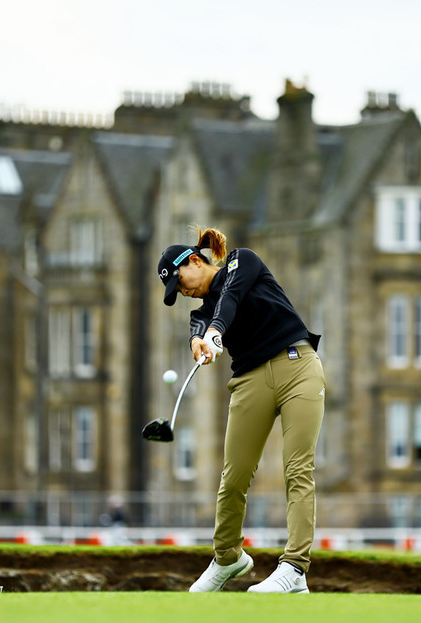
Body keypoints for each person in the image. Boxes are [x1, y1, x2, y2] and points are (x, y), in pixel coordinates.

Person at [157, 226, 325, 594]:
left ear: (195, 260)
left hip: (298, 366)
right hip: (249, 382)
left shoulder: (242, 261)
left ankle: (295, 567)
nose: (183, 292)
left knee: (298, 469)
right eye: (177, 292)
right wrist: (201, 342)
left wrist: (217, 329)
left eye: (181, 282)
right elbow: (199, 329)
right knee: (233, 478)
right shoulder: (198, 315)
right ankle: (228, 558)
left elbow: (231, 296)